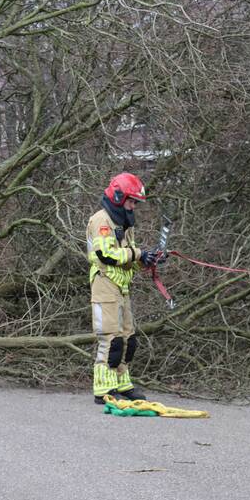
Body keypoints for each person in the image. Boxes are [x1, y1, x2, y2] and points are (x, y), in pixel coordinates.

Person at [86, 172, 165, 404]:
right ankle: (103, 388)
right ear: (119, 196)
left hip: (122, 286)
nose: (133, 206)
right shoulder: (101, 220)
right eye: (131, 201)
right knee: (110, 338)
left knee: (128, 339)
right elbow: (106, 254)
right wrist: (138, 254)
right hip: (104, 283)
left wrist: (148, 259)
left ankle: (122, 383)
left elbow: (127, 254)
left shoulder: (123, 222)